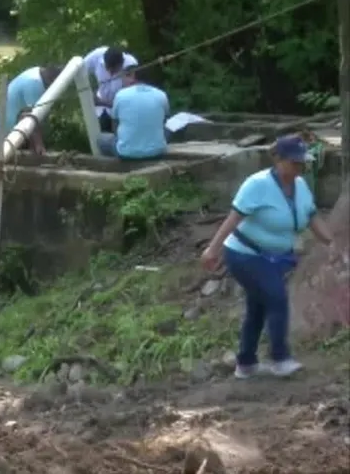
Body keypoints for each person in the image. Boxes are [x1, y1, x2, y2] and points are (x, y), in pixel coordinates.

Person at [200, 135, 335, 379]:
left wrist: (331, 242)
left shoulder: (301, 185)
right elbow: (233, 218)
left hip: (275, 258)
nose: (299, 167)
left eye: (302, 163)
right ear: (278, 159)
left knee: (258, 307)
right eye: (294, 162)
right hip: (245, 255)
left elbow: (312, 217)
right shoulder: (257, 184)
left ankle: (246, 363)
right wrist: (212, 249)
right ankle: (279, 358)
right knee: (277, 298)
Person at [96, 65, 169, 160]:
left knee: (101, 139)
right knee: (167, 131)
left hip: (126, 153)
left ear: (134, 77)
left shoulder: (121, 95)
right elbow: (164, 120)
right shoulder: (161, 95)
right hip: (157, 152)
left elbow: (115, 125)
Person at [0, 65, 61, 156]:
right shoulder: (34, 84)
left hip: (16, 130)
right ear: (51, 81)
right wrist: (39, 144)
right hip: (0, 131)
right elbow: (32, 117)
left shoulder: (37, 72)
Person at [82, 45, 139, 132]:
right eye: (107, 69)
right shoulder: (96, 56)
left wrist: (100, 102)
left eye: (114, 71)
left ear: (121, 64)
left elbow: (128, 103)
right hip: (102, 111)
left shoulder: (131, 67)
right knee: (102, 134)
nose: (110, 73)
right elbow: (80, 70)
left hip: (121, 112)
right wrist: (89, 91)